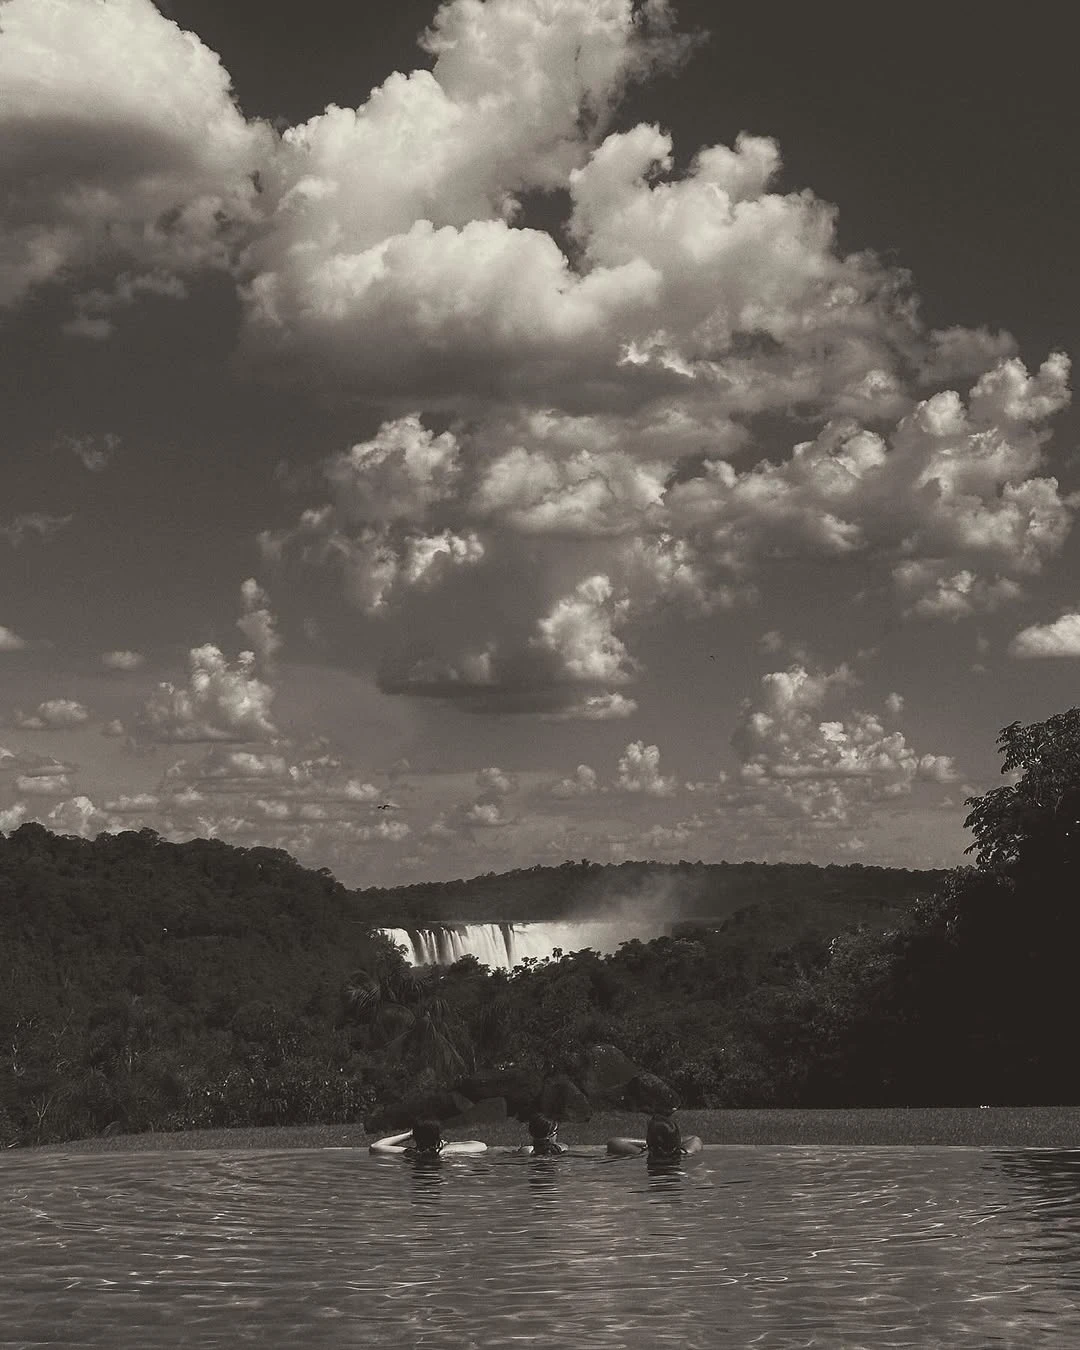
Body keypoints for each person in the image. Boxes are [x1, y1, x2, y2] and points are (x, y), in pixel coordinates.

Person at [606, 1109, 702, 1159]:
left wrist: (651, 1144)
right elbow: (695, 1139)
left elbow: (613, 1142)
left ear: (649, 1140)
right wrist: (670, 1141)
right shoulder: (685, 1153)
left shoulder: (643, 1154)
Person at [369, 1118, 488, 1157]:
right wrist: (447, 1146)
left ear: (415, 1136)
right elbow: (482, 1146)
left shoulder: (411, 1153)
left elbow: (375, 1147)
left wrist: (407, 1135)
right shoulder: (445, 1152)